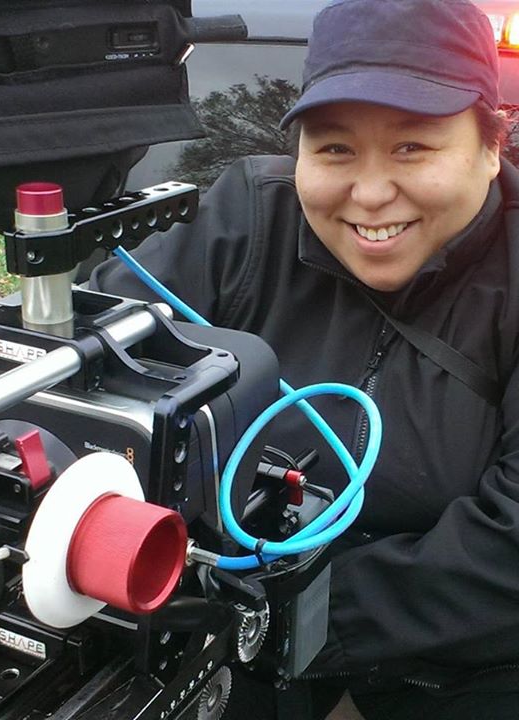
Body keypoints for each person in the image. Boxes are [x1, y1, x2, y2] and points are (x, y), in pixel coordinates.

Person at [90, 0, 519, 717]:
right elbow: (95, 353)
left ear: (489, 142)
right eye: (334, 149)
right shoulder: (243, 222)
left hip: (460, 669)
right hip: (224, 636)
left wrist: (288, 616)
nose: (371, 193)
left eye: (413, 147)